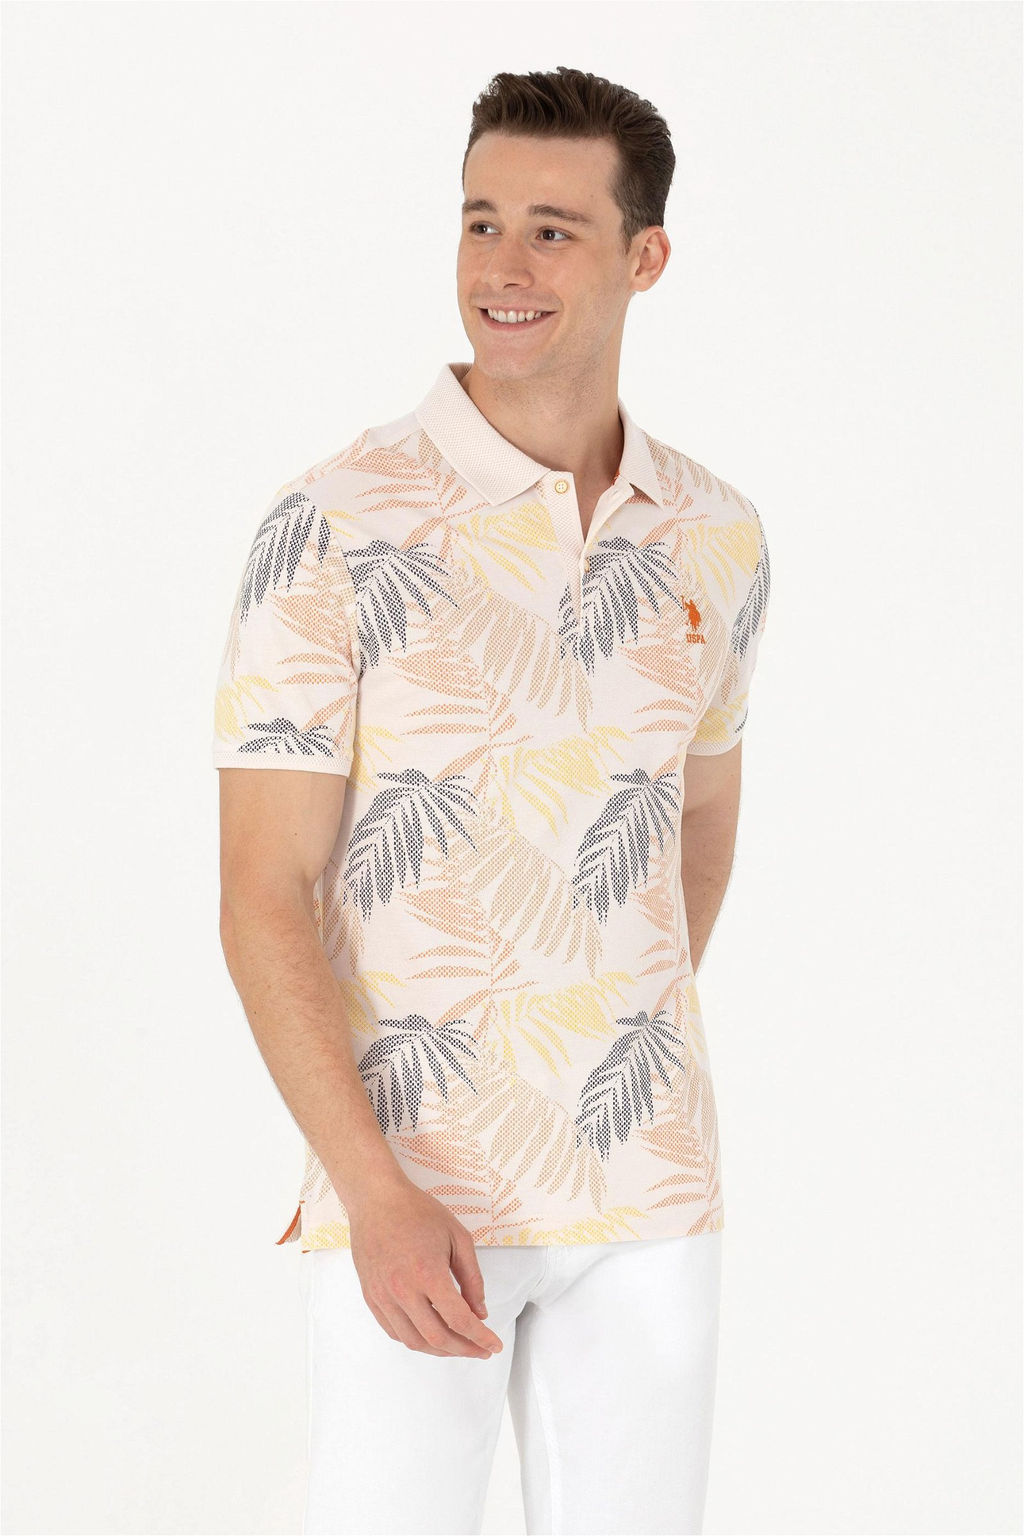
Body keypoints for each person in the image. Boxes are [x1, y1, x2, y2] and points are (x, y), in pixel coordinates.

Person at [212, 64, 770, 1536]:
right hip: (411, 1189)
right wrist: (372, 1192)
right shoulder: (335, 526)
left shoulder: (717, 534)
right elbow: (263, 889)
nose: (502, 269)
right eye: (480, 223)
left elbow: (698, 818)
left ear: (646, 257)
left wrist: (613, 1032)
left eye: (551, 230)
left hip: (649, 1189)